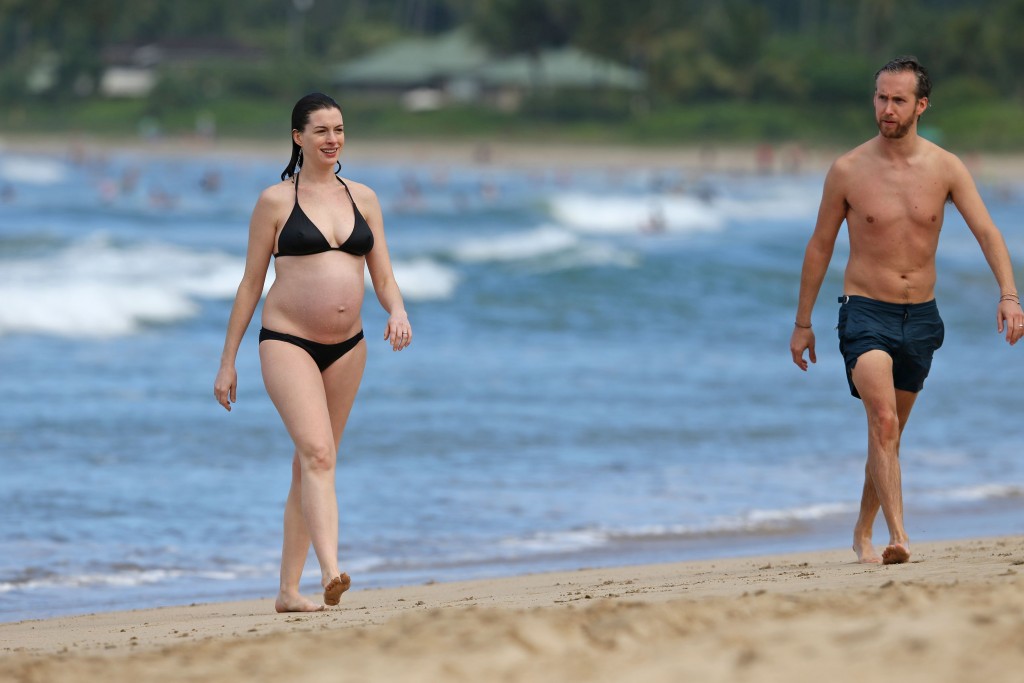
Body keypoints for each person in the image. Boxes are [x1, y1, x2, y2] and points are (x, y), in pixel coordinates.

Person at [789, 57, 1023, 565]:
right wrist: (803, 323)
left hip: (920, 318)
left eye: (897, 100)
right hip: (864, 311)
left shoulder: (945, 167)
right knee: (884, 421)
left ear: (921, 105)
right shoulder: (848, 170)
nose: (886, 109)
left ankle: (863, 531)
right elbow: (820, 246)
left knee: (888, 436)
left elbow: (987, 231)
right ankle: (901, 537)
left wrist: (1009, 294)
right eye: (880, 98)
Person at [214, 92, 412, 612]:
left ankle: (286, 592)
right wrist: (228, 360)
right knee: (318, 455)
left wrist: (398, 311)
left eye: (340, 129)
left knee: (312, 465)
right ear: (298, 137)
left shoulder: (363, 198)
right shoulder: (276, 202)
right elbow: (250, 284)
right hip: (287, 341)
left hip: (349, 347)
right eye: (321, 130)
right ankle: (331, 572)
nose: (333, 139)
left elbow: (384, 275)